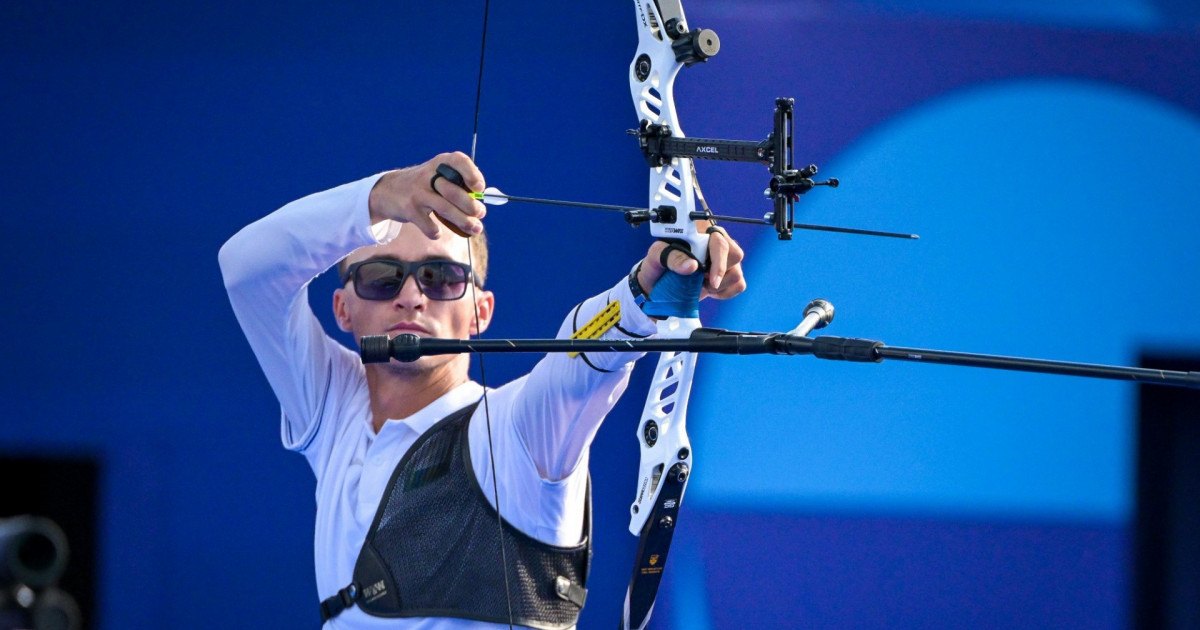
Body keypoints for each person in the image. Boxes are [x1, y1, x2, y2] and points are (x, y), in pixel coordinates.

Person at [218, 152, 745, 629]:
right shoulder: (333, 409)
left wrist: (641, 292)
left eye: (441, 276)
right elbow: (245, 267)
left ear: (480, 310)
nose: (411, 298)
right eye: (381, 277)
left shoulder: (515, 432)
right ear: (343, 310)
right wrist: (381, 196)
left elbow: (580, 358)